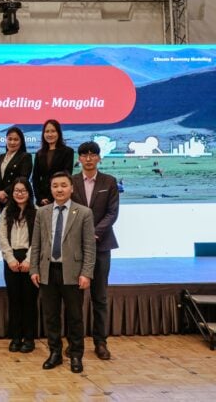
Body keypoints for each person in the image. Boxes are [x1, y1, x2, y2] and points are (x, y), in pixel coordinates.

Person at [30, 171, 96, 374]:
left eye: (63, 185)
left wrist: (86, 273)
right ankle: (55, 353)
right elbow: (37, 243)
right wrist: (34, 269)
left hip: (73, 273)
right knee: (51, 316)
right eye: (55, 185)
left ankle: (76, 355)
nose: (59, 189)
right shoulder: (42, 212)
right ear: (50, 189)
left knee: (75, 316)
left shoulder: (84, 213)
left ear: (71, 187)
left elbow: (89, 246)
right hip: (48, 271)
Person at [72, 141, 119, 361]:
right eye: (84, 155)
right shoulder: (71, 182)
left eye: (93, 154)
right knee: (75, 299)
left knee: (99, 297)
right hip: (75, 248)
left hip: (102, 245)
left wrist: (93, 232)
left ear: (99, 158)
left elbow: (112, 213)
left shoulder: (109, 182)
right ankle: (75, 343)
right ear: (79, 159)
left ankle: (100, 342)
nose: (89, 158)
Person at [0, 178, 38, 354]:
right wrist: (10, 259)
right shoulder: (6, 212)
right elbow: (2, 238)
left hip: (31, 259)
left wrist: (29, 260)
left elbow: (39, 239)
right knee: (14, 300)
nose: (19, 194)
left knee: (29, 301)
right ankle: (15, 338)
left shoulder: (37, 212)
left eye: (23, 190)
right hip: (12, 259)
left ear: (29, 193)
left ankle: (29, 338)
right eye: (16, 191)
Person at [32, 119, 75, 206]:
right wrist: (40, 198)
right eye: (47, 131)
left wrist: (50, 197)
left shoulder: (68, 152)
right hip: (42, 200)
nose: (50, 134)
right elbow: (35, 178)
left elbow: (67, 175)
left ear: (58, 133)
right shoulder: (39, 153)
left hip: (60, 196)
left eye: (53, 131)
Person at [0, 126, 33, 210]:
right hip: (1, 200)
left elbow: (23, 178)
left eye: (16, 139)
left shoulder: (25, 157)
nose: (12, 142)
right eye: (10, 139)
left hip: (17, 198)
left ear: (21, 142)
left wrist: (5, 192)